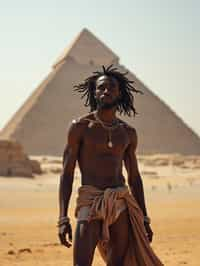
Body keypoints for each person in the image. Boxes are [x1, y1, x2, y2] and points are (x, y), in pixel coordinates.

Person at [58, 65, 163, 266]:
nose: (106, 91)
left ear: (120, 92)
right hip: (90, 200)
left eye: (112, 87)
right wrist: (62, 218)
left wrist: (145, 218)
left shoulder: (127, 132)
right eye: (101, 87)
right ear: (94, 92)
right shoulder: (80, 127)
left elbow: (134, 177)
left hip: (120, 202)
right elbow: (67, 174)